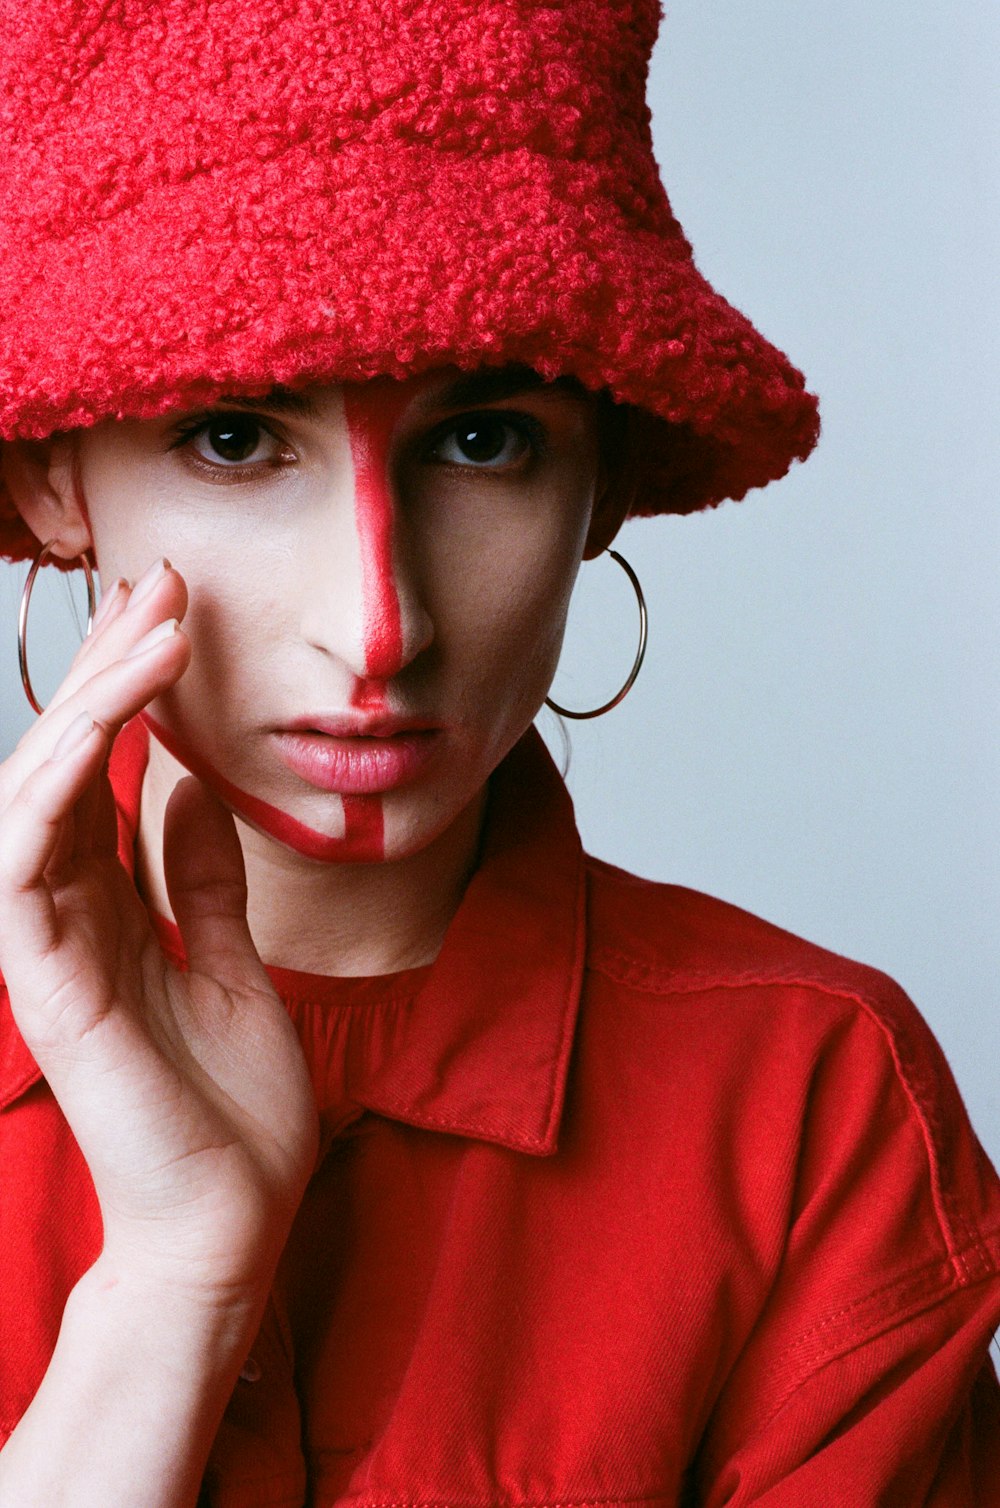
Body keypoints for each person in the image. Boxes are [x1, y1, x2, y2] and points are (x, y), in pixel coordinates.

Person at [0, 1, 998, 1504]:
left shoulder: (812, 1108)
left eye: (482, 442)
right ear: (52, 474)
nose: (378, 625)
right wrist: (166, 1292)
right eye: (232, 437)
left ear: (607, 474)